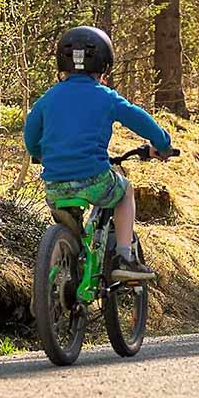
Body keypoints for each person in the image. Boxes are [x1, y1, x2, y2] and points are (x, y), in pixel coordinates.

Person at [23, 27, 176, 282]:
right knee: (125, 192)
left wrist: (39, 153)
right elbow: (139, 119)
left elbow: (31, 132)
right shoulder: (105, 96)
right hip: (94, 179)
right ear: (104, 65)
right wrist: (162, 143)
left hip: (55, 185)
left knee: (70, 233)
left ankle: (48, 286)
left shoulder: (48, 98)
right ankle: (124, 256)